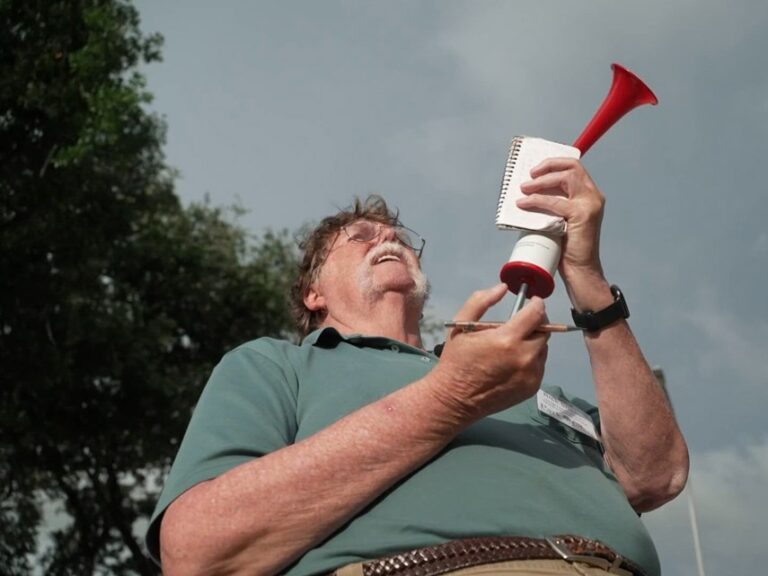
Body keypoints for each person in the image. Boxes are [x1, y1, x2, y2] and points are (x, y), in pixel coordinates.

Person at [147, 158, 688, 576]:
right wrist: (452, 395)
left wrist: (585, 274)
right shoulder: (277, 365)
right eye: (360, 237)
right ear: (312, 292)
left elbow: (657, 476)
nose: (388, 239)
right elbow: (199, 553)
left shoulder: (516, 381)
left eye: (399, 238)